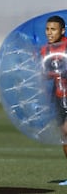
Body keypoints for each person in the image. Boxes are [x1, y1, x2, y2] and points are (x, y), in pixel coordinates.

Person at [41, 15, 67, 185]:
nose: (49, 33)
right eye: (47, 29)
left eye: (53, 29)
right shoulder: (45, 51)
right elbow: (45, 75)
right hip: (58, 97)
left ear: (62, 31)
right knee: (64, 138)